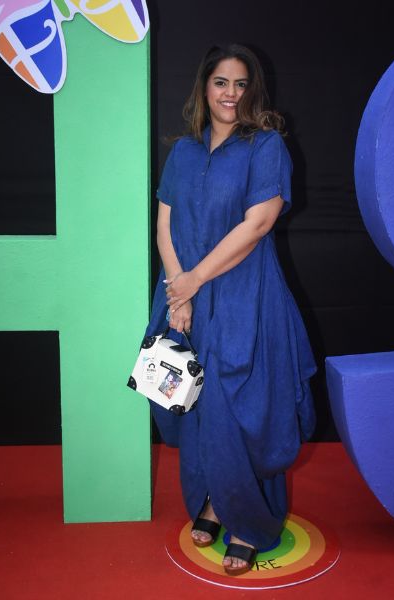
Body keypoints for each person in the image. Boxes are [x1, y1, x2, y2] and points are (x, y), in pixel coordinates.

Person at [144, 44, 317, 576]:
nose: (231, 94)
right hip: (182, 295)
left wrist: (193, 281)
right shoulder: (183, 151)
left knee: (241, 409)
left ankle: (249, 521)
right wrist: (179, 293)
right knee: (190, 404)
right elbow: (164, 225)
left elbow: (258, 224)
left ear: (252, 90)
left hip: (246, 297)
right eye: (221, 82)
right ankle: (213, 501)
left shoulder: (266, 146)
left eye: (241, 84)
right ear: (205, 86)